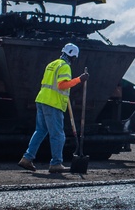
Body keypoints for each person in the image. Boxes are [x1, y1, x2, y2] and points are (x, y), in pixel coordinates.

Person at [18, 43, 88, 174]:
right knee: (58, 135)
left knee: (40, 131)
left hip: (42, 100)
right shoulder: (65, 66)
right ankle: (56, 163)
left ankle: (27, 158)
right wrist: (79, 79)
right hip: (53, 103)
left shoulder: (52, 64)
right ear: (72, 56)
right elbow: (62, 85)